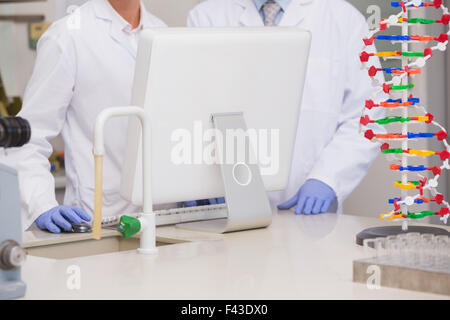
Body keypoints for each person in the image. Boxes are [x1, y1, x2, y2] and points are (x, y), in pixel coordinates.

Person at [186, 0, 385, 215]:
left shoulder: (344, 19)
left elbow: (367, 116)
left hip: (308, 214)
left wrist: (327, 178)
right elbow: (189, 113)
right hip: (226, 206)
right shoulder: (206, 17)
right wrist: (200, 180)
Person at [0, 0, 166, 233]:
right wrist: (42, 204)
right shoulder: (68, 36)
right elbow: (27, 137)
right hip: (99, 224)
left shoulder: (163, 33)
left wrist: (191, 188)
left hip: (168, 220)